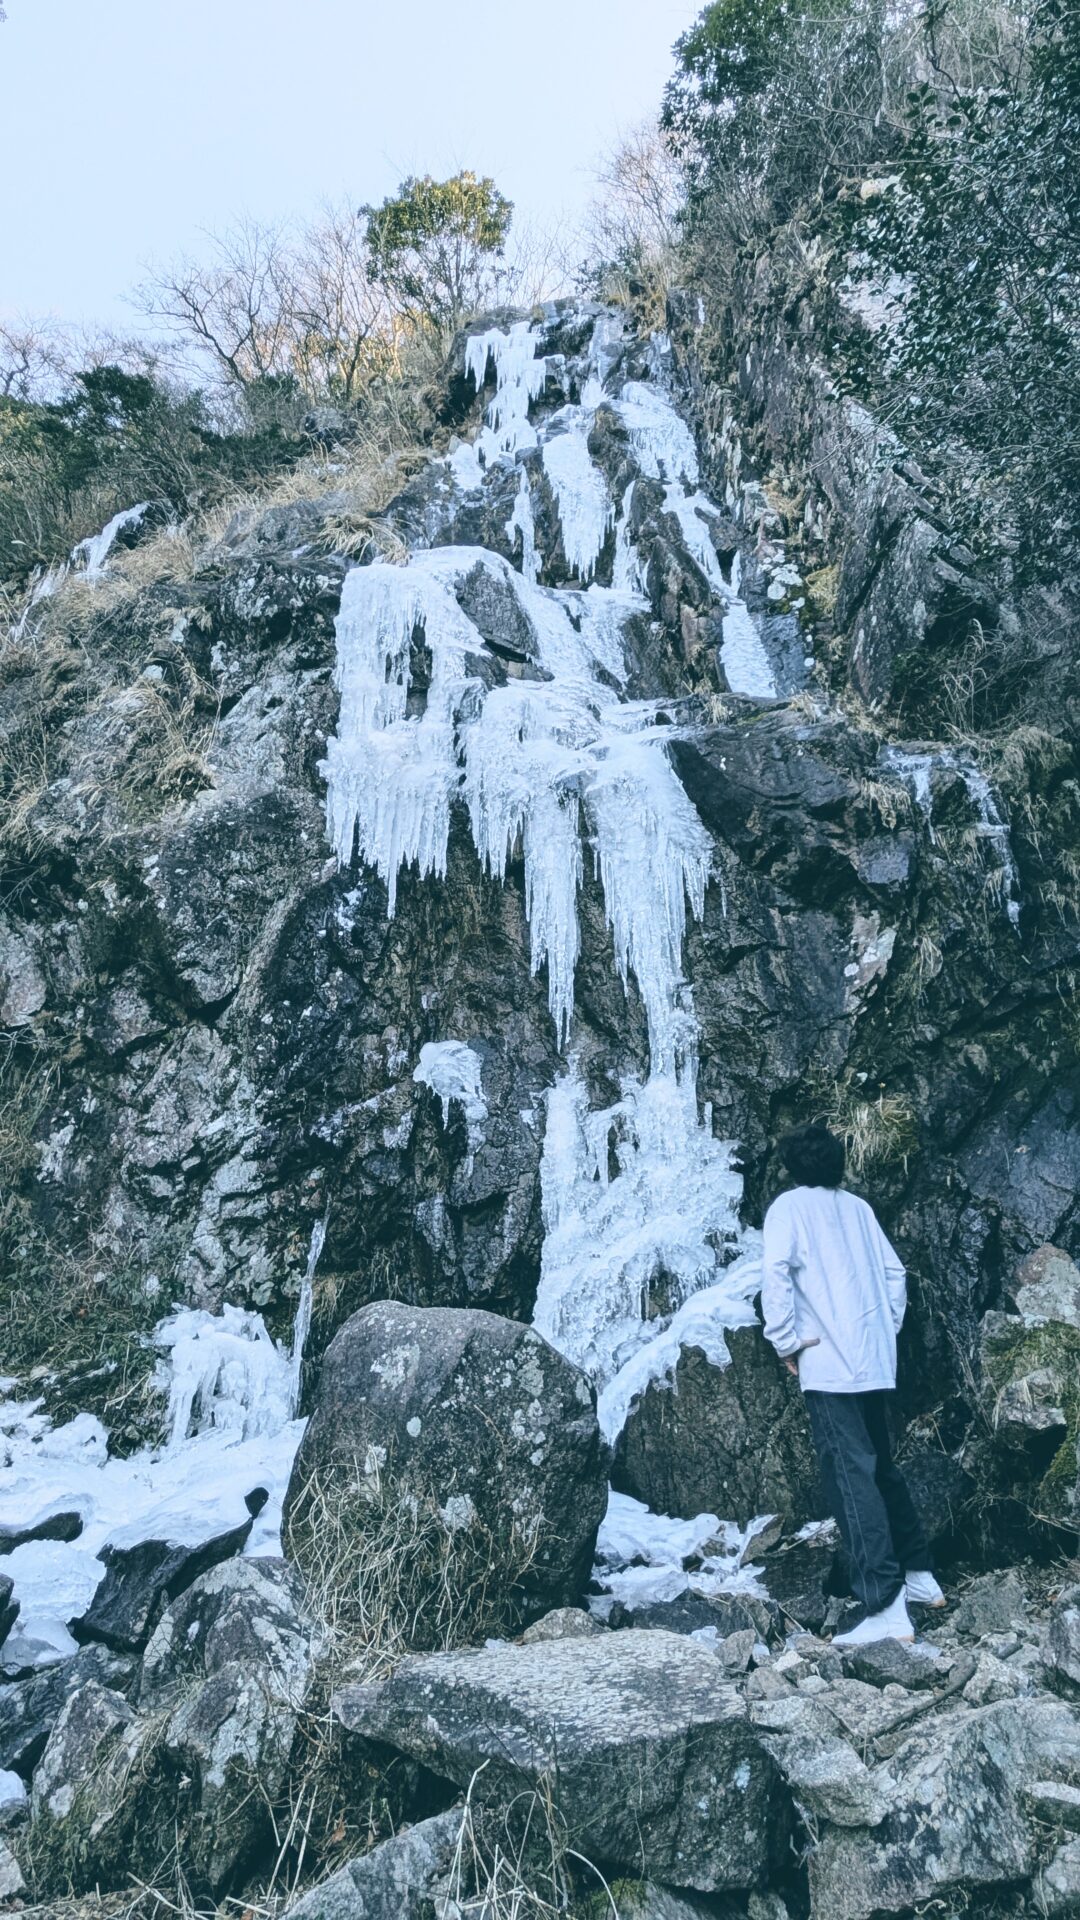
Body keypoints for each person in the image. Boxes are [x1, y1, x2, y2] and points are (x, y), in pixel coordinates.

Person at [761, 1121, 944, 1646]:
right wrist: (883, 1329)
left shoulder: (788, 1209)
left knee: (850, 1478)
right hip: (871, 1359)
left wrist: (786, 1342)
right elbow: (895, 1275)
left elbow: (774, 1275)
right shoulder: (859, 1209)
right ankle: (919, 1577)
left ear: (793, 1167)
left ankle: (884, 1606)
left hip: (828, 1362)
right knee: (881, 1467)